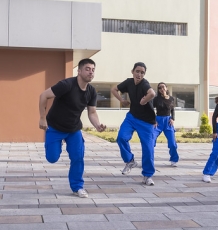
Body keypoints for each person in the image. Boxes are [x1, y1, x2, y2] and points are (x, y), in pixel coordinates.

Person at [39, 58, 106, 198]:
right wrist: (42, 117)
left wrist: (97, 125)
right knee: (52, 158)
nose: (91, 72)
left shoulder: (91, 91)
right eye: (87, 69)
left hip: (74, 129)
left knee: (78, 157)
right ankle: (55, 144)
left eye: (93, 70)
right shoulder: (66, 85)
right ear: (79, 71)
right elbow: (44, 95)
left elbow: (92, 112)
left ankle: (77, 187)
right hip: (55, 127)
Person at [111, 62, 156, 186]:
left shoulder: (144, 84)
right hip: (131, 117)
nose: (139, 74)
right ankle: (130, 161)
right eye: (137, 71)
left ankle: (147, 175)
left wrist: (144, 101)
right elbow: (114, 89)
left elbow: (152, 93)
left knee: (148, 148)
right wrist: (121, 100)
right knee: (121, 137)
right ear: (132, 71)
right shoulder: (129, 82)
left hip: (146, 122)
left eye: (142, 72)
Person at [153, 82, 179, 166]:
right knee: (150, 140)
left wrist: (173, 118)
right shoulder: (156, 99)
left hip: (168, 121)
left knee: (172, 143)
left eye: (163, 87)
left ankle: (174, 159)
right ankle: (148, 160)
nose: (161, 89)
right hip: (158, 121)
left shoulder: (171, 98)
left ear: (166, 88)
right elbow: (150, 110)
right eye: (159, 88)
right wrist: (153, 120)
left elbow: (172, 110)